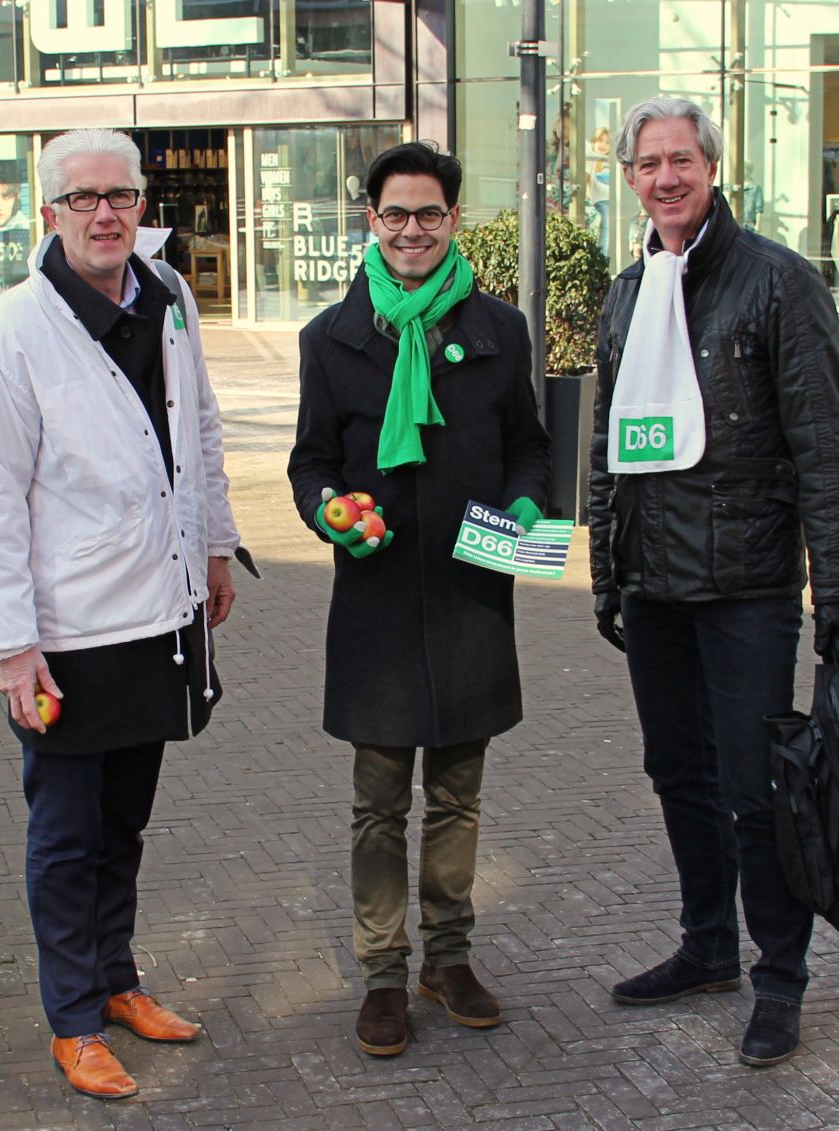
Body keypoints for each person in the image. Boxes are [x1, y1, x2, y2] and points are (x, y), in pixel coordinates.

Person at [0, 128, 246, 1101]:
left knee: (125, 825)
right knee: (66, 838)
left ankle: (116, 982)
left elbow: (196, 423)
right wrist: (9, 649)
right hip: (68, 633)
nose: (106, 213)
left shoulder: (167, 299)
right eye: (83, 199)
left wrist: (213, 543)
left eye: (120, 194)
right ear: (49, 215)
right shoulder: (12, 331)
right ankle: (72, 1020)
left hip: (156, 613)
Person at [587, 96, 839, 1068]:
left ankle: (778, 978)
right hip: (657, 585)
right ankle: (708, 947)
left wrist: (838, 600)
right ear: (629, 179)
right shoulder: (627, 293)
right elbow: (607, 445)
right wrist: (606, 573)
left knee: (758, 792)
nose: (665, 177)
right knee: (680, 777)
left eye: (681, 159)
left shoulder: (779, 285)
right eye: (647, 163)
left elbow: (826, 450)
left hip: (747, 586)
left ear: (712, 164)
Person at [287, 141, 550, 1058]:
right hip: (377, 602)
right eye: (394, 214)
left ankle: (450, 956)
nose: (411, 230)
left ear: (452, 221)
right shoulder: (332, 337)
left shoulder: (498, 330)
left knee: (459, 796)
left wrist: (527, 500)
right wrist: (329, 511)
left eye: (428, 214)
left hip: (473, 593)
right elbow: (311, 460)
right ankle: (385, 975)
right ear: (371, 219)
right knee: (377, 800)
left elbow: (528, 444)